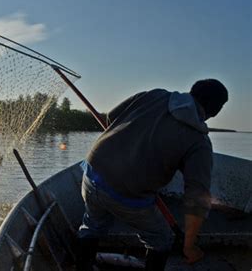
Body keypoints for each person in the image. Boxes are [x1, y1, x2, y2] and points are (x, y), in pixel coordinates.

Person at [75, 79, 228, 271]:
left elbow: (111, 118)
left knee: (92, 225)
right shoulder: (199, 142)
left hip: (91, 173)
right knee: (161, 239)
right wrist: (189, 246)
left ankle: (81, 267)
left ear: (192, 91)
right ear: (215, 111)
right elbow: (197, 198)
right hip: (125, 193)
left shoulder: (154, 94)